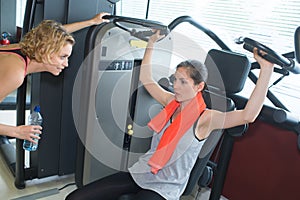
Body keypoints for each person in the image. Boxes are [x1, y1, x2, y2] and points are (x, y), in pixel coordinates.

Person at [65, 30, 274, 200]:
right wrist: (151, 43)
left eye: (183, 82)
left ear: (199, 86)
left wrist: (266, 70)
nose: (176, 86)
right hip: (142, 173)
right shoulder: (170, 102)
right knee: (75, 198)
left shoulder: (206, 119)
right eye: (175, 79)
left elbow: (248, 115)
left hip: (165, 188)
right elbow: (146, 78)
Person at [0, 12, 110, 143]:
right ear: (44, 51)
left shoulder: (25, 48)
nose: (66, 64)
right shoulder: (15, 73)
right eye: (62, 57)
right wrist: (16, 131)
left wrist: (91, 22)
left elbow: (53, 35)